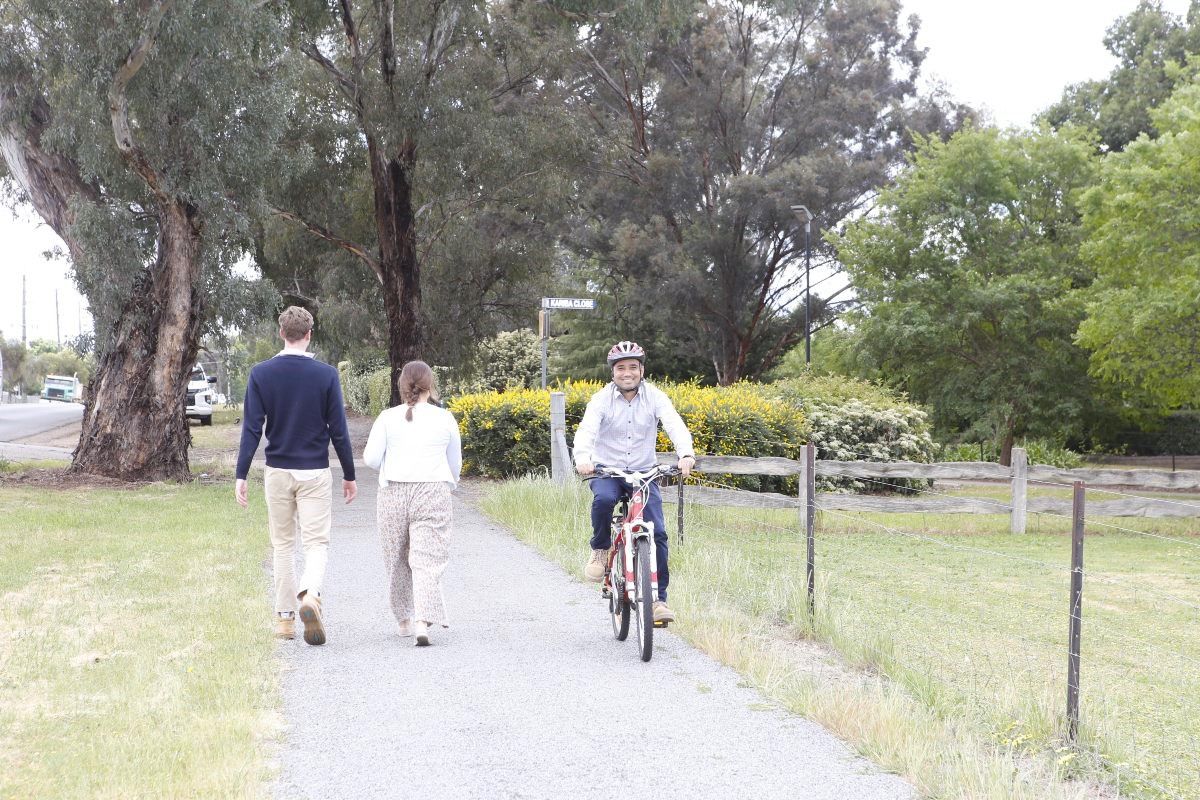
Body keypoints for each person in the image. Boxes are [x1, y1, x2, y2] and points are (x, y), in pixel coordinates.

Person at [235, 306, 358, 646]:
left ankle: (285, 620)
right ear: (308, 335)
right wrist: (349, 473)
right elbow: (339, 431)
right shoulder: (326, 375)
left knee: (283, 545)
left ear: (281, 333)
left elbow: (252, 429)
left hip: (277, 471)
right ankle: (311, 595)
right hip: (315, 471)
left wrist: (241, 474)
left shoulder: (261, 374)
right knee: (316, 543)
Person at [573, 341, 696, 623]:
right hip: (609, 470)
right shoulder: (601, 399)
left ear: (641, 370)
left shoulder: (655, 397)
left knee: (659, 533)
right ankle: (601, 550)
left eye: (632, 367)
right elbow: (587, 429)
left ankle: (658, 601)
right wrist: (583, 457)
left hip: (643, 473)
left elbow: (674, 423)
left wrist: (686, 454)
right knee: (604, 500)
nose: (627, 373)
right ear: (613, 372)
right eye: (620, 368)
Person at [363, 360, 462, 647]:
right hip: (432, 491)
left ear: (402, 386)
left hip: (394, 492)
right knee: (427, 560)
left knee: (396, 558)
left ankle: (404, 620)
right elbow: (454, 462)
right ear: (430, 387)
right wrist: (449, 483)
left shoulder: (387, 417)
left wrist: (390, 464)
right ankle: (423, 621)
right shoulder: (444, 418)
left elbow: (370, 458)